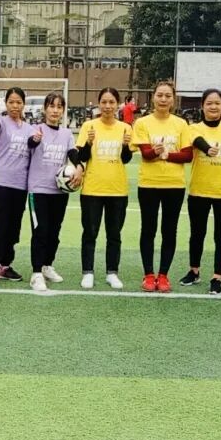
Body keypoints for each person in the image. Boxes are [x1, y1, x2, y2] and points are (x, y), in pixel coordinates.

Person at [180, 88, 221, 296]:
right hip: (198, 191)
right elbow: (197, 140)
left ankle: (217, 277)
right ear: (202, 106)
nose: (213, 107)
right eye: (209, 103)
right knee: (197, 234)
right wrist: (208, 149)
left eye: (217, 103)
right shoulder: (193, 128)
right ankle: (194, 271)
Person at [132, 80, 193, 293]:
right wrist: (155, 152)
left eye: (168, 96)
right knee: (148, 229)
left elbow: (187, 155)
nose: (163, 99)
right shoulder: (142, 123)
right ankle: (149, 274)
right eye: (160, 95)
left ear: (173, 99)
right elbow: (146, 155)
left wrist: (165, 154)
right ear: (153, 97)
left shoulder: (181, 124)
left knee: (169, 230)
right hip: (149, 184)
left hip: (174, 185)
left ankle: (164, 275)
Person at [76, 87, 133, 290]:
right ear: (99, 103)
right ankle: (87, 272)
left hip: (117, 190)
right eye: (104, 102)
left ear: (118, 105)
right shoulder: (89, 126)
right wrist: (89, 143)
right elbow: (82, 157)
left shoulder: (125, 128)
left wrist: (125, 146)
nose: (108, 106)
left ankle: (112, 272)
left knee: (114, 234)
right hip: (92, 189)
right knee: (90, 233)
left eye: (111, 102)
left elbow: (126, 159)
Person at [26, 92, 82, 292]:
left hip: (59, 192)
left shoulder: (66, 134)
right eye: (51, 106)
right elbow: (30, 143)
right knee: (40, 231)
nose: (55, 110)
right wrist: (35, 140)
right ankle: (36, 273)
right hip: (38, 190)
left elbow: (73, 154)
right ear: (45, 109)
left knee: (54, 232)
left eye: (59, 107)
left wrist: (79, 167)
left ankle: (47, 265)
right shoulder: (35, 129)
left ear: (63, 110)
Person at [0, 87, 33, 289]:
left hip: (20, 185)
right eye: (11, 102)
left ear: (23, 104)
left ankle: (5, 265)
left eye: (18, 102)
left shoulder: (29, 129)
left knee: (13, 229)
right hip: (0, 184)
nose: (15, 106)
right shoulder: (0, 122)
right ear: (6, 103)